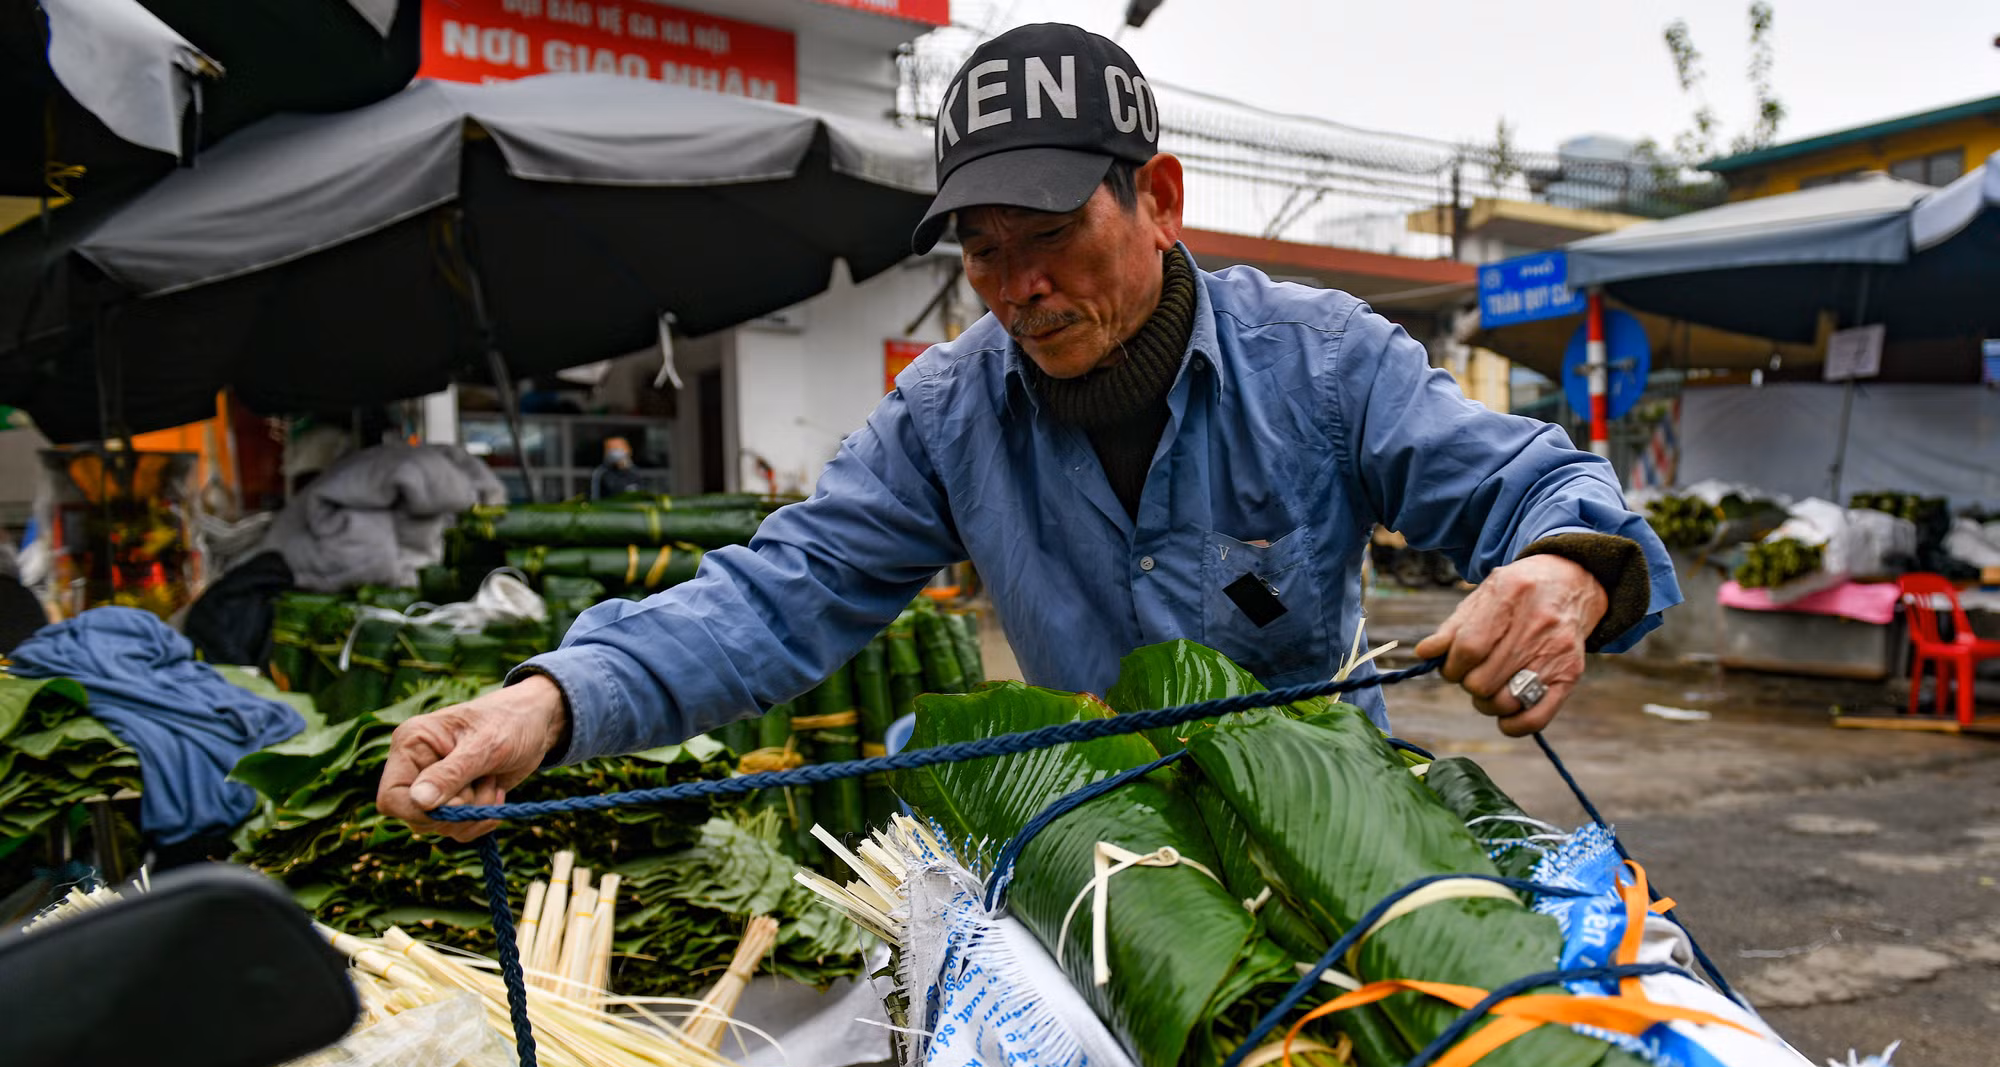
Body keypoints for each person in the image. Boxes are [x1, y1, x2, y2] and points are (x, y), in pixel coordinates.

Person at [380, 23, 1679, 840]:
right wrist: (551, 700)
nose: (1015, 287)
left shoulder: (1322, 358)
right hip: (1088, 835)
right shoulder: (948, 415)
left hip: (1330, 818)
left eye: (1050, 232)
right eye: (984, 251)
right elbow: (781, 594)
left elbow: (1527, 478)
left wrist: (1563, 565)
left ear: (1158, 199)